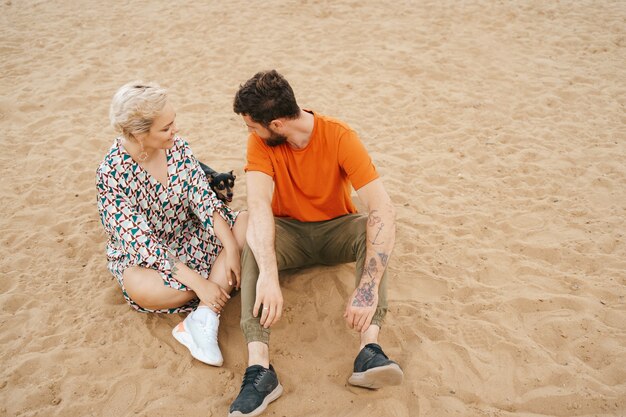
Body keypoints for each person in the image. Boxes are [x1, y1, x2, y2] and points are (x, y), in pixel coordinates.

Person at [228, 70, 403, 417]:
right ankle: (260, 369)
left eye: (252, 126)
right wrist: (267, 273)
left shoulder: (339, 136)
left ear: (276, 124)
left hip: (335, 228)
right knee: (253, 243)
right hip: (287, 232)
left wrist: (366, 289)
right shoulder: (260, 143)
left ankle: (369, 350)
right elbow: (259, 206)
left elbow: (382, 207)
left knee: (373, 231)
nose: (250, 133)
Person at [96, 81, 248, 366]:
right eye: (165, 128)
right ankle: (216, 287)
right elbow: (142, 244)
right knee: (141, 287)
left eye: (173, 122)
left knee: (248, 224)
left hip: (193, 235)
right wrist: (200, 283)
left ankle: (204, 316)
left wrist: (231, 246)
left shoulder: (178, 148)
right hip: (153, 261)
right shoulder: (111, 174)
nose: (174, 130)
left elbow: (204, 200)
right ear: (139, 134)